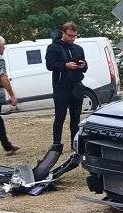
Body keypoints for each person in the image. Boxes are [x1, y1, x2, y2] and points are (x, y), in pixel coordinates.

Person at [46, 22, 87, 150]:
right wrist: (65, 66)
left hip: (76, 86)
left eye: (75, 36)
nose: (72, 38)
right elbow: (50, 65)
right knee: (60, 116)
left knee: (76, 118)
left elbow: (85, 67)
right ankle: (57, 144)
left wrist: (83, 65)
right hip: (61, 88)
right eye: (70, 36)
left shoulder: (78, 48)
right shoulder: (53, 47)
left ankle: (75, 144)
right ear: (63, 33)